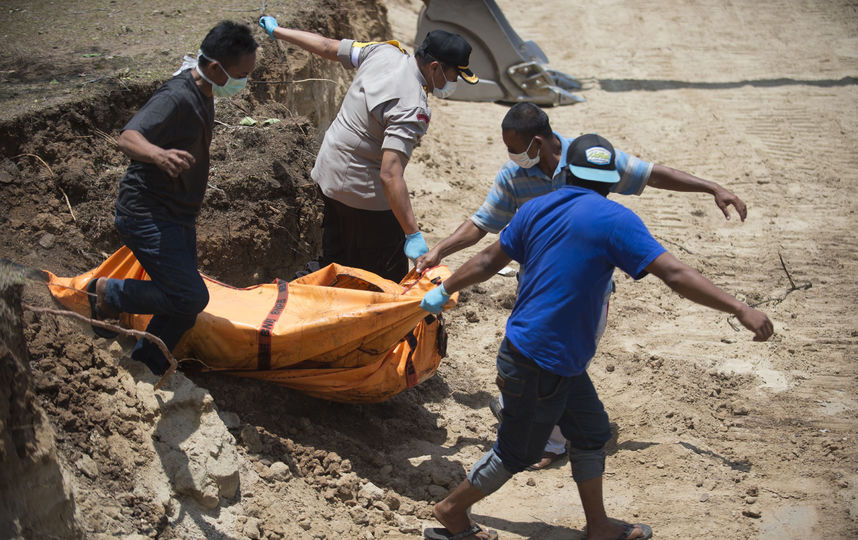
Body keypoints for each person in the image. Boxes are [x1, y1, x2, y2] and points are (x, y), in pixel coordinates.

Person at [420, 134, 773, 540]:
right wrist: (740, 308)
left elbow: (485, 259)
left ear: (567, 171)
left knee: (591, 433)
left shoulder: (535, 208)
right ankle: (451, 511)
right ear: (610, 181)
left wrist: (443, 291)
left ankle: (599, 526)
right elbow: (674, 275)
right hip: (541, 360)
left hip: (547, 354)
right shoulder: (616, 220)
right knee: (518, 451)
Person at [86, 21, 258, 375]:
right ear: (215, 68)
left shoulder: (204, 89)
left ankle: (147, 364)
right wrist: (157, 154)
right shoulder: (176, 97)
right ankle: (106, 293)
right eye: (241, 74)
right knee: (190, 297)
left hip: (178, 214)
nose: (244, 83)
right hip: (147, 214)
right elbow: (128, 136)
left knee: (181, 301)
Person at [258, 15, 478, 281]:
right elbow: (390, 173)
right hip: (362, 192)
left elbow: (328, 47)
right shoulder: (412, 106)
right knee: (386, 277)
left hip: (328, 172)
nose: (453, 83)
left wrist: (279, 31)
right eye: (454, 75)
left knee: (335, 262)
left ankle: (287, 300)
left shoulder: (383, 52)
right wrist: (412, 233)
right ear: (434, 67)